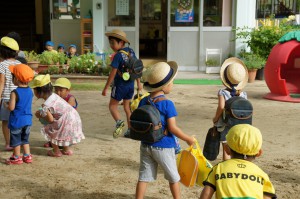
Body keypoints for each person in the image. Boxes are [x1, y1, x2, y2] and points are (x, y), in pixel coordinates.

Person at [135, 61, 194, 199]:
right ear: (166, 85)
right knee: (173, 177)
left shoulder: (143, 101)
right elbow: (172, 128)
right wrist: (188, 138)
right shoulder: (167, 104)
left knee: (144, 176)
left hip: (146, 144)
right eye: (172, 82)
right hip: (164, 146)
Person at [199, 124, 277, 199]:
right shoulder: (262, 174)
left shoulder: (218, 169)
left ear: (226, 149)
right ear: (258, 153)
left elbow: (205, 196)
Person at [31, 74, 85, 157]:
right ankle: (66, 150)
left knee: (50, 128)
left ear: (39, 91)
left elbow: (50, 120)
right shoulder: (55, 96)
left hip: (66, 121)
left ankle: (56, 151)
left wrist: (40, 114)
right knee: (61, 128)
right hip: (74, 119)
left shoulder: (46, 105)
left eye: (34, 90)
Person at [102, 29, 142, 138]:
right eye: (110, 43)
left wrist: (105, 88)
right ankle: (130, 130)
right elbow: (137, 68)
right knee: (127, 108)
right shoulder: (131, 52)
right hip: (130, 85)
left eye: (113, 43)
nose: (111, 45)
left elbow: (112, 73)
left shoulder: (118, 56)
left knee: (112, 106)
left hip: (119, 86)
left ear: (121, 43)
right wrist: (138, 83)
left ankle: (119, 122)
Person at [212, 57, 248, 161]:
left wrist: (215, 118)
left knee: (226, 148)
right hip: (240, 124)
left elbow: (221, 107)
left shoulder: (222, 92)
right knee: (238, 148)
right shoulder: (244, 94)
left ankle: (227, 167)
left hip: (226, 124)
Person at [5, 64, 34, 165]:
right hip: (28, 120)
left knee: (16, 140)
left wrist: (6, 105)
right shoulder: (30, 91)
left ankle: (16, 157)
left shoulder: (15, 92)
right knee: (25, 139)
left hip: (17, 120)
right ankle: (27, 156)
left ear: (16, 79)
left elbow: (12, 107)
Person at [42, 77, 78, 148]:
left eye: (61, 90)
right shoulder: (55, 98)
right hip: (58, 120)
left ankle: (65, 142)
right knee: (49, 122)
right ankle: (52, 141)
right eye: (56, 90)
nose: (58, 93)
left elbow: (67, 109)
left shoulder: (71, 98)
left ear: (68, 90)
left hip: (67, 121)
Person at [0, 36, 21, 151]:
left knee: (5, 121)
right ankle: (17, 142)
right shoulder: (19, 64)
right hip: (18, 96)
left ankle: (8, 143)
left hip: (7, 97)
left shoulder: (2, 65)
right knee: (17, 120)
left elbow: (1, 83)